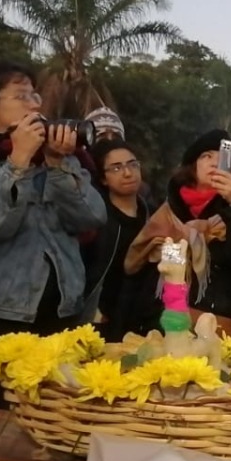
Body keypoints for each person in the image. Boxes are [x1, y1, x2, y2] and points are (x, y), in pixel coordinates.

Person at [0, 60, 106, 408]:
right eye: (20, 96)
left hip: (60, 312)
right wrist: (17, 164)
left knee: (51, 423)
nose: (34, 104)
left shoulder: (60, 159)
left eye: (34, 94)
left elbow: (91, 217)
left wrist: (59, 165)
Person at [125, 130, 231, 336]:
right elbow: (147, 273)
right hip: (161, 328)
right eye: (206, 156)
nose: (214, 162)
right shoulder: (168, 215)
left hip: (217, 331)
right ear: (192, 166)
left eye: (223, 157)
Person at [83, 137, 156, 340]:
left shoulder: (154, 216)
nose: (127, 173)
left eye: (132, 165)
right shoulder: (95, 218)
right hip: (103, 319)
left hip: (145, 318)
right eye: (116, 168)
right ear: (103, 178)